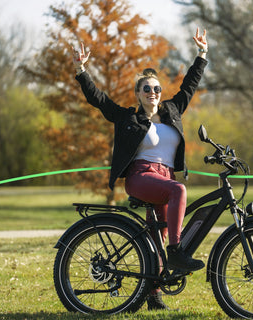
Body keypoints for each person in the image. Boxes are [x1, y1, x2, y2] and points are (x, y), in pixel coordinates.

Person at [71, 28, 208, 310]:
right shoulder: (128, 118)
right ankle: (177, 253)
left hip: (164, 178)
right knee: (179, 191)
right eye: (147, 89)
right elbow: (100, 100)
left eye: (157, 88)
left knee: (156, 237)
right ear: (138, 93)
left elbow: (189, 86)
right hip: (141, 177)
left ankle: (153, 295)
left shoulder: (171, 111)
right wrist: (82, 71)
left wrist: (202, 54)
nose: (153, 93)